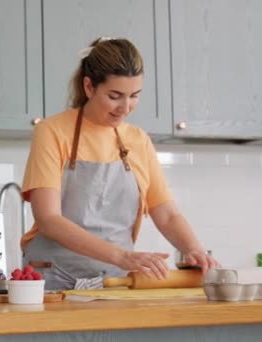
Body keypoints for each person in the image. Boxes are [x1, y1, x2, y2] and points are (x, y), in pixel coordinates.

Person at [20, 37, 220, 291]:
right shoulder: (52, 132)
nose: (125, 108)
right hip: (52, 281)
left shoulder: (138, 140)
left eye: (134, 96)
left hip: (117, 282)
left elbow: (167, 215)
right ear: (89, 87)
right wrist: (123, 256)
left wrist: (195, 250)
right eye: (115, 96)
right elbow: (49, 218)